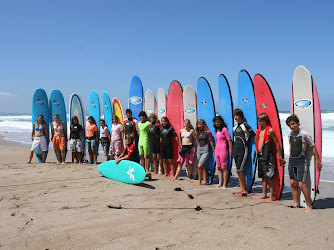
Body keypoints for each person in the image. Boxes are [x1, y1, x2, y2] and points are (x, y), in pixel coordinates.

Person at [286, 115, 322, 212]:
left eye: (293, 124)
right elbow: (291, 146)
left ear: (297, 123)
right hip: (292, 161)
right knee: (293, 183)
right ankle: (296, 203)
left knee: (302, 185)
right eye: (290, 125)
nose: (292, 127)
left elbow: (313, 147)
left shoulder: (304, 134)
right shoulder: (290, 134)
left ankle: (309, 205)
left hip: (301, 162)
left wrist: (318, 161)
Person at [253, 113, 285, 202]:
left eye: (260, 121)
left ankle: (271, 196)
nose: (259, 123)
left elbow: (277, 143)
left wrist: (280, 156)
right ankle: (264, 194)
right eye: (258, 121)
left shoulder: (270, 130)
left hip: (267, 155)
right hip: (259, 155)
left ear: (265, 121)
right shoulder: (259, 130)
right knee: (263, 176)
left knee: (269, 176)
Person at [233, 109, 256, 195]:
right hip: (236, 150)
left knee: (239, 170)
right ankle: (242, 189)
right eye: (234, 115)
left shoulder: (245, 125)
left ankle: (245, 189)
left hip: (243, 149)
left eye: (237, 115)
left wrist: (256, 147)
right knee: (238, 170)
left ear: (241, 116)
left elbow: (254, 135)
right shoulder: (235, 127)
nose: (235, 117)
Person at [213, 115, 233, 189]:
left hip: (223, 150)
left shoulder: (224, 129)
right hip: (217, 150)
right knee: (218, 167)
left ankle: (225, 184)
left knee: (224, 168)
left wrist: (231, 151)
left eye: (218, 121)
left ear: (221, 122)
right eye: (215, 122)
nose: (217, 123)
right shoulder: (216, 130)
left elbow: (229, 141)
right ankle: (220, 182)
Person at [196, 119, 215, 185]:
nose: (199, 125)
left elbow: (211, 141)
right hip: (199, 149)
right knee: (203, 166)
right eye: (198, 124)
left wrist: (214, 150)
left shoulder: (208, 132)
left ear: (204, 124)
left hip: (205, 149)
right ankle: (204, 181)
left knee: (199, 165)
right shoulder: (198, 132)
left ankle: (199, 181)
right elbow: (197, 141)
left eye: (201, 124)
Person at [137, 111, 152, 177]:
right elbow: (139, 132)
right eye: (140, 116)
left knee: (147, 156)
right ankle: (143, 169)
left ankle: (147, 170)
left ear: (145, 117)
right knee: (141, 156)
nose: (141, 117)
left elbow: (150, 132)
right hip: (140, 141)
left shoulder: (148, 123)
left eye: (143, 116)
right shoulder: (139, 123)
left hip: (146, 140)